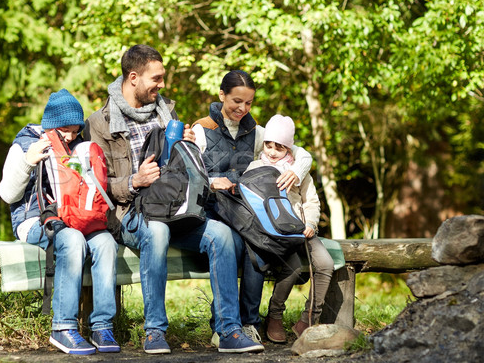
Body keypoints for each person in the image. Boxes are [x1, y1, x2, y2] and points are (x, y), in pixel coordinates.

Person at [83, 45, 264, 354]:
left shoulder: (167, 110)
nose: (163, 85)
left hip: (175, 207)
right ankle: (154, 331)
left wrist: (188, 148)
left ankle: (229, 330)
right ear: (134, 77)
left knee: (222, 235)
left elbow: (182, 167)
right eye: (157, 78)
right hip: (131, 212)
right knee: (156, 231)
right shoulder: (100, 124)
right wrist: (134, 180)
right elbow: (95, 185)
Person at [192, 70, 313, 344]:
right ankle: (223, 324)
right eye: (237, 101)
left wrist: (299, 170)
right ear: (221, 95)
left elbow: (300, 151)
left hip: (246, 211)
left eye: (248, 103)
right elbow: (187, 172)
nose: (242, 108)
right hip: (213, 210)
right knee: (233, 244)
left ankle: (248, 323)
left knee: (256, 249)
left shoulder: (256, 132)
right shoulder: (201, 129)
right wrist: (212, 182)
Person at [0, 89, 120, 355]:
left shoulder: (78, 146)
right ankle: (63, 327)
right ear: (50, 125)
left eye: (76, 131)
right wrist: (29, 162)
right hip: (32, 221)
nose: (71, 137)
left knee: (106, 243)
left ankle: (101, 324)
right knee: (71, 239)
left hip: (75, 218)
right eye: (65, 130)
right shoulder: (25, 144)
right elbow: (8, 194)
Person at [245, 114, 334, 342]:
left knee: (325, 263)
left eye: (279, 147)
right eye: (269, 145)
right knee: (292, 266)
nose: (272, 151)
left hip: (301, 228)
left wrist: (311, 223)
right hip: (274, 232)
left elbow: (311, 201)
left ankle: (308, 319)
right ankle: (274, 316)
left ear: (289, 147)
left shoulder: (298, 170)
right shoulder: (256, 166)